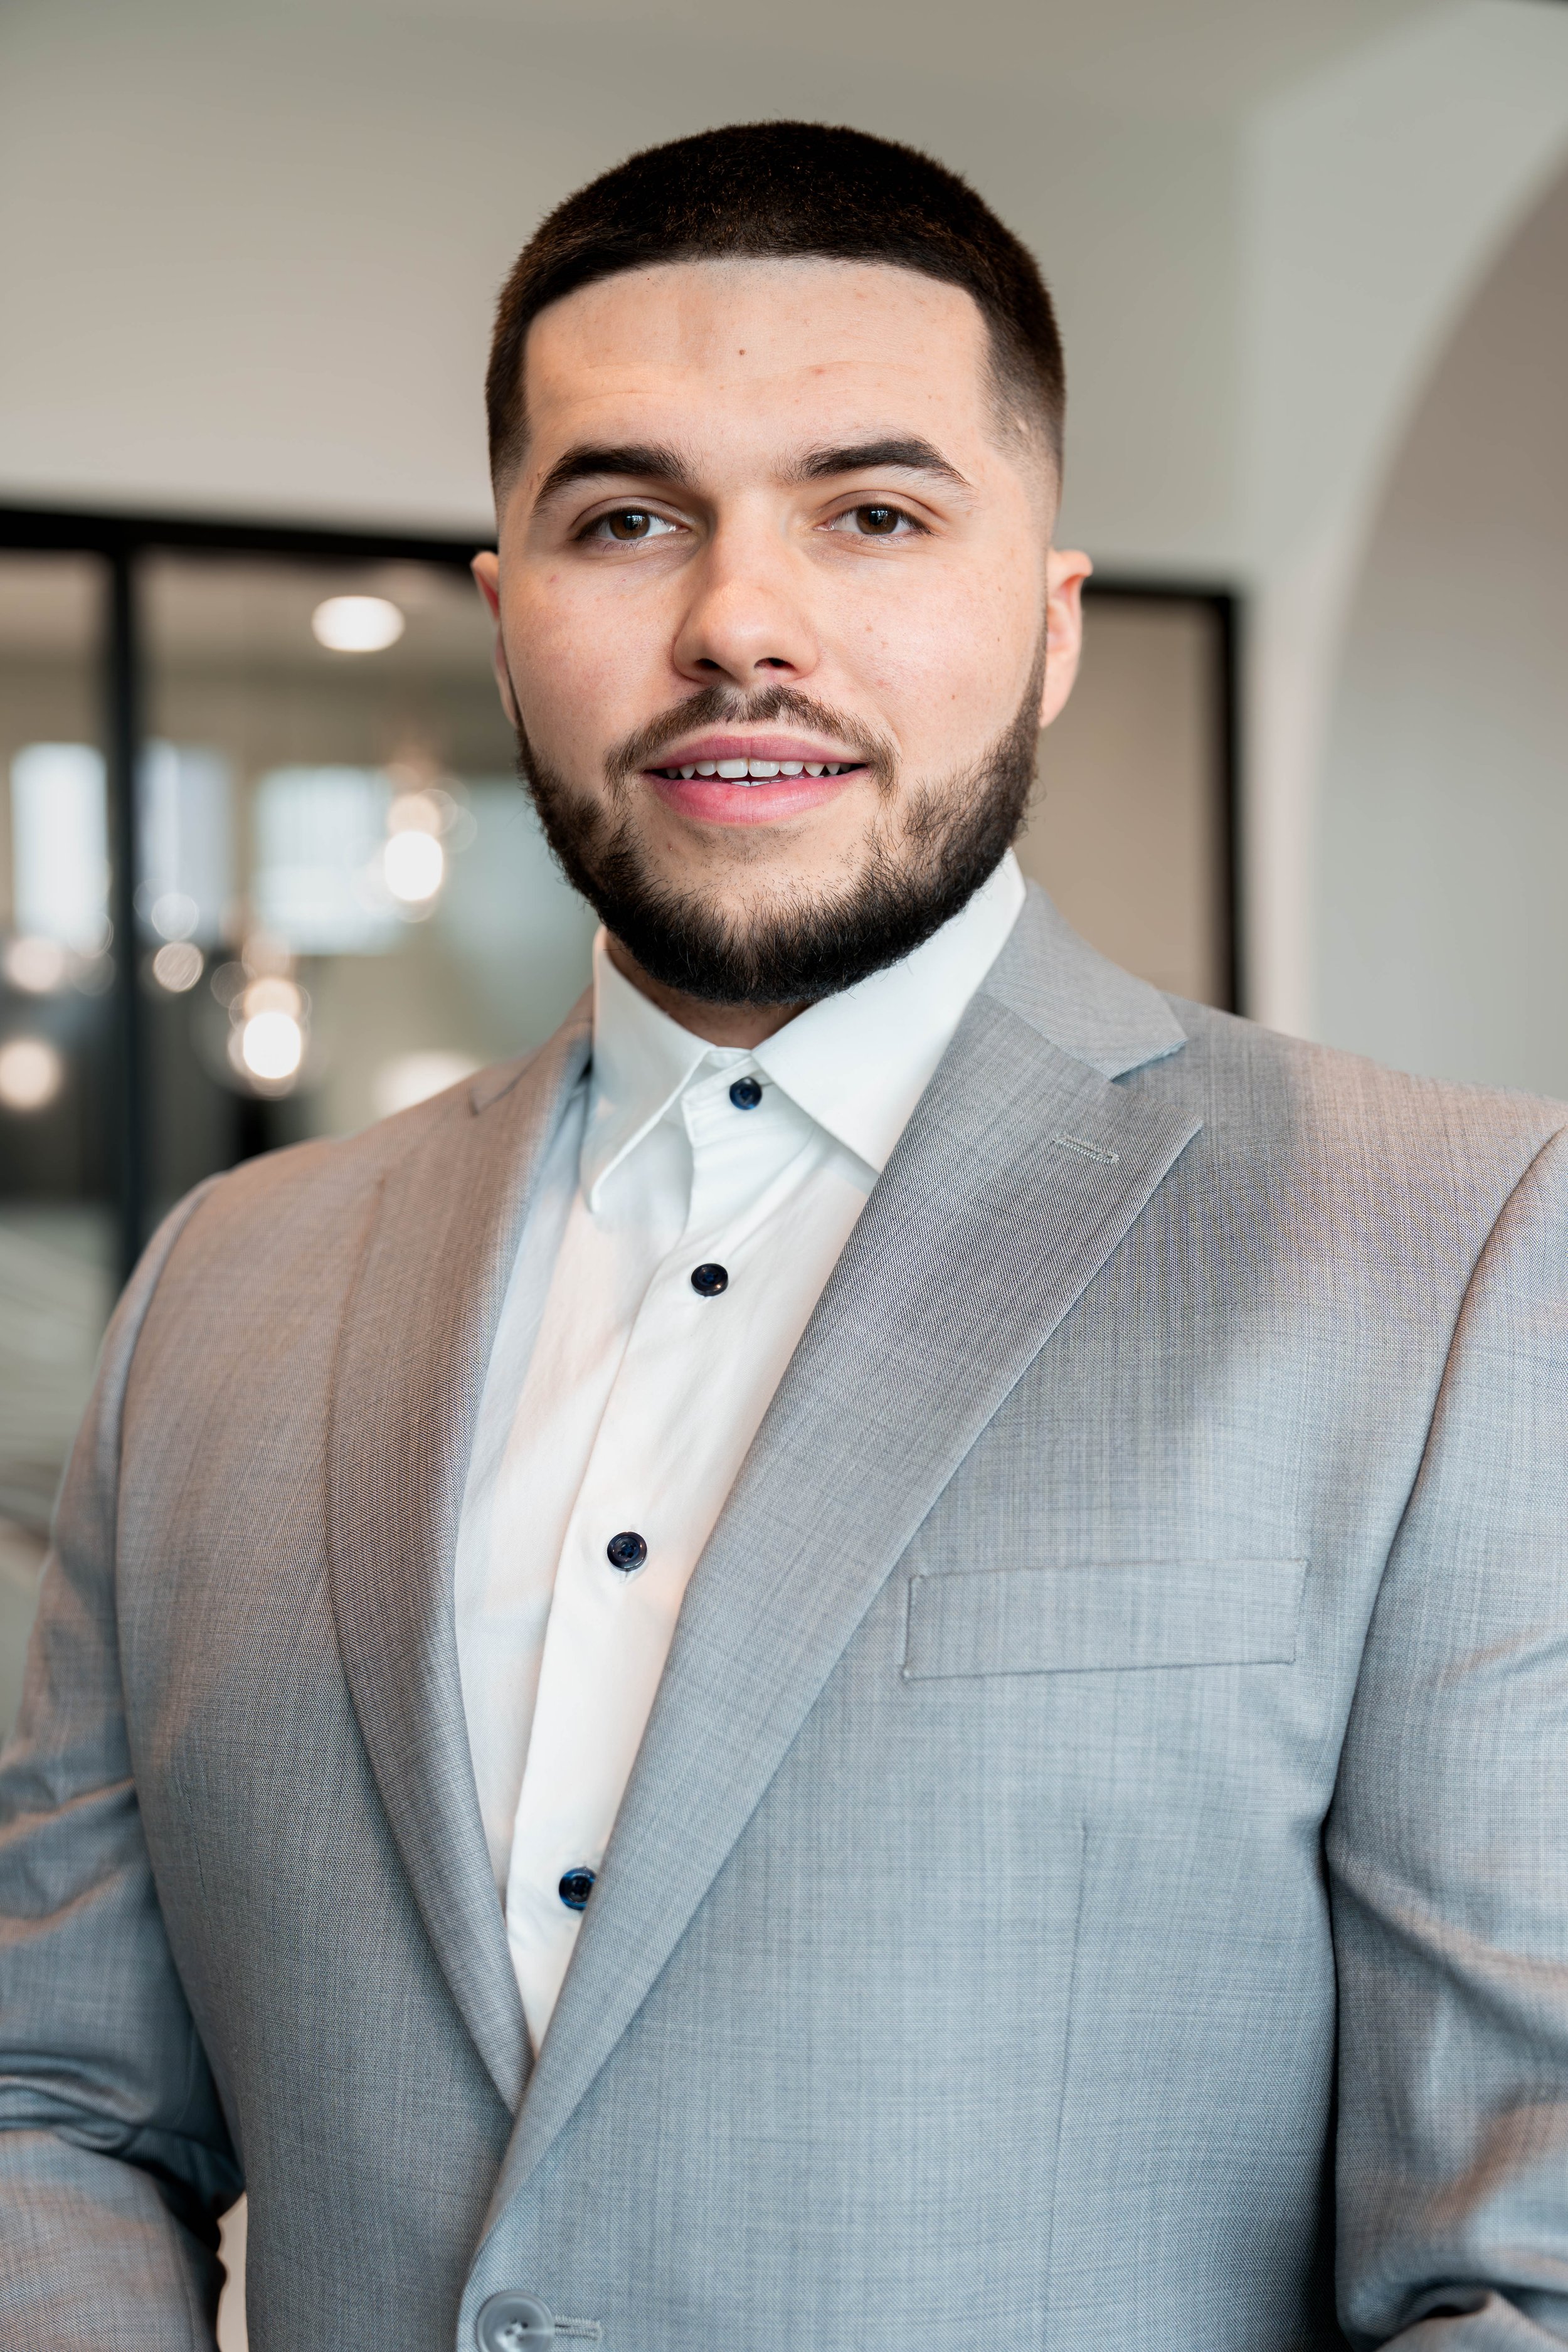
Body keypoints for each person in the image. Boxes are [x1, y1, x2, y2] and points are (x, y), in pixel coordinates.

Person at [2, 120, 1566, 2352]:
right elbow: (54, 2100)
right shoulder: (222, 1293)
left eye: (873, 512)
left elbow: (1522, 2261)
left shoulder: (1451, 1251)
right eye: (626, 520)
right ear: (507, 612)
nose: (740, 623)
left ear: (1046, 630)